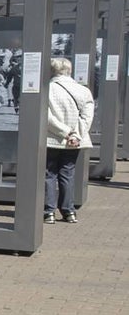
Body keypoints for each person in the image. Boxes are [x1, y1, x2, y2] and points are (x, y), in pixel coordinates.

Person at [45, 57, 94, 224]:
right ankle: (68, 212)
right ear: (70, 70)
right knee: (67, 174)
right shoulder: (83, 90)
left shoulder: (48, 89)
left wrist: (65, 133)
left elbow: (47, 117)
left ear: (52, 70)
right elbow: (87, 117)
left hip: (52, 139)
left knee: (49, 174)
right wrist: (75, 135)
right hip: (74, 141)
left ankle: (48, 212)